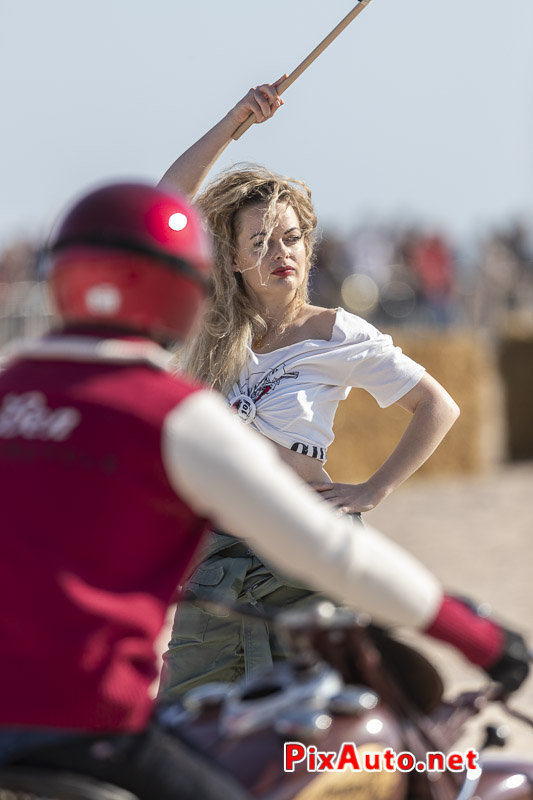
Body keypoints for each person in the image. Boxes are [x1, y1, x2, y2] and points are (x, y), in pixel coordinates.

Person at [0, 181, 528, 800]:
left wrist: (370, 489)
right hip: (96, 727)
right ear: (191, 279)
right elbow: (333, 553)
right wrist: (481, 638)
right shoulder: (168, 411)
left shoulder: (15, 394)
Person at [157, 81, 462, 699]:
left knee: (316, 738)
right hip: (213, 565)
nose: (280, 253)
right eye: (261, 241)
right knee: (188, 729)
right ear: (232, 256)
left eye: (291, 237)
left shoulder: (336, 334)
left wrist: (373, 489)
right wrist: (236, 120)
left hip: (306, 554)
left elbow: (438, 405)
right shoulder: (206, 323)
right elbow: (164, 204)